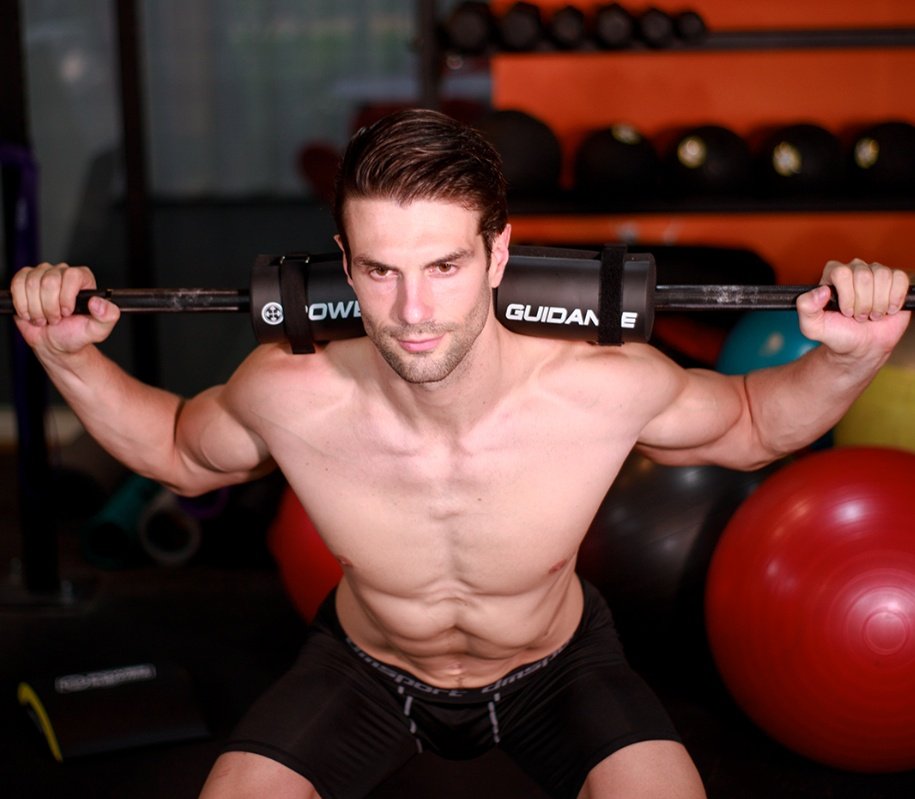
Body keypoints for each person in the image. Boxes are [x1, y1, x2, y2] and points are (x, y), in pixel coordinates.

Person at [10, 108, 910, 799]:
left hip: (556, 667)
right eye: (380, 271)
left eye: (442, 266)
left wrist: (851, 356)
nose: (412, 312)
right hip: (365, 667)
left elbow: (751, 424)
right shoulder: (291, 391)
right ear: (344, 263)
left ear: (497, 253)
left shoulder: (597, 384)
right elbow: (178, 448)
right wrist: (67, 354)